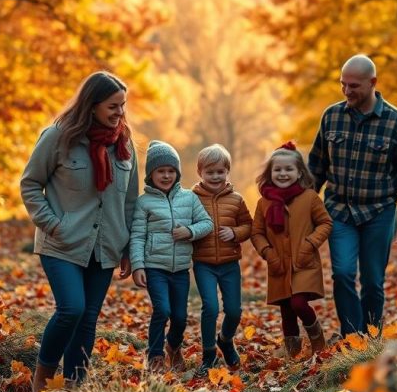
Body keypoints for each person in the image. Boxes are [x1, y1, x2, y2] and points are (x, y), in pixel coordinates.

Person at [20, 71, 138, 392]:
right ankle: (41, 382)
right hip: (62, 243)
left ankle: (74, 389)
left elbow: (130, 201)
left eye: (123, 106)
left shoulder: (124, 145)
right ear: (92, 104)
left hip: (106, 247)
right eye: (113, 106)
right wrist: (52, 224)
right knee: (72, 309)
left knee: (88, 319)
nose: (120, 113)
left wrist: (128, 248)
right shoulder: (58, 137)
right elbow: (30, 184)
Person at [308, 53, 397, 337]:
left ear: (372, 82)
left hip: (378, 212)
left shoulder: (396, 123)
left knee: (373, 281)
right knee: (344, 274)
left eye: (354, 86)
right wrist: (301, 211)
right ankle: (352, 339)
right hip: (338, 211)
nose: (347, 91)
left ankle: (370, 337)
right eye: (343, 85)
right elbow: (316, 169)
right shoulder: (331, 116)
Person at [130, 140, 213, 373]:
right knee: (162, 310)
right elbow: (137, 235)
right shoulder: (144, 202)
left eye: (170, 171)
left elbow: (207, 223)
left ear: (177, 173)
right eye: (160, 171)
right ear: (151, 174)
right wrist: (138, 266)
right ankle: (155, 355)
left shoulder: (189, 198)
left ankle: (173, 347)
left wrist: (190, 232)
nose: (166, 176)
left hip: (180, 270)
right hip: (155, 266)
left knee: (180, 317)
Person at [251, 141, 332, 360]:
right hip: (278, 264)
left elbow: (325, 223)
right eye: (278, 169)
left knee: (298, 302)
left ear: (299, 172)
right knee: (286, 309)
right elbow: (256, 232)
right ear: (270, 173)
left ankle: (317, 338)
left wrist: (310, 243)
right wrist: (268, 252)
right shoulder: (264, 203)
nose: (283, 173)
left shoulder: (310, 198)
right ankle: (293, 352)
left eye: (289, 169)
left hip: (303, 261)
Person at [192, 143, 253, 374]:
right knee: (210, 306)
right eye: (210, 172)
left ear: (227, 171)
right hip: (203, 263)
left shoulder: (236, 199)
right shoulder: (192, 198)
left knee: (235, 310)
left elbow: (248, 225)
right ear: (200, 173)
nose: (215, 176)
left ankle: (225, 340)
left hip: (229, 264)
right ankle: (208, 354)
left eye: (220, 171)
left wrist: (235, 233)